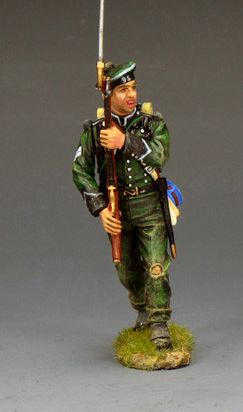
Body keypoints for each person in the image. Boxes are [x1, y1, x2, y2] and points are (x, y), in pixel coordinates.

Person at [72, 61, 173, 349]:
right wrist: (101, 208)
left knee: (156, 266)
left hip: (149, 205)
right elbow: (80, 170)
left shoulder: (151, 123)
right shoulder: (95, 131)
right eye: (123, 90)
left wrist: (125, 141)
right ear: (108, 94)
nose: (131, 95)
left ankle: (159, 322)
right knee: (126, 269)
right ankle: (142, 308)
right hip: (117, 210)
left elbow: (160, 154)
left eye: (133, 88)